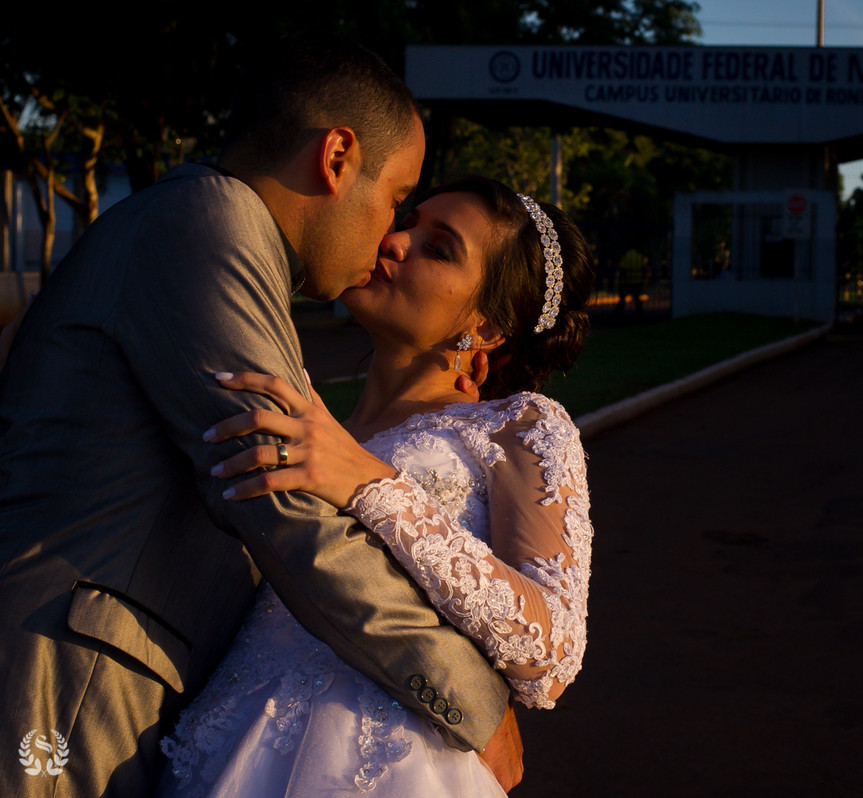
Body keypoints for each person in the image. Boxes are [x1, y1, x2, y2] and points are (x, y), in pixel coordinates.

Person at [0, 35, 514, 798]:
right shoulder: (210, 225)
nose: (389, 233)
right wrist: (472, 698)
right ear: (336, 157)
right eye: (396, 197)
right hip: (63, 687)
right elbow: (285, 503)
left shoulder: (209, 232)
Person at [156, 176, 594, 796]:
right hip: (232, 737)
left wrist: (370, 482)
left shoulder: (519, 426)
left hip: (386, 761)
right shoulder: (316, 422)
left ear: (489, 327)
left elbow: (552, 654)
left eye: (438, 248)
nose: (394, 241)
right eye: (407, 221)